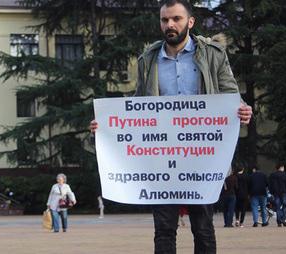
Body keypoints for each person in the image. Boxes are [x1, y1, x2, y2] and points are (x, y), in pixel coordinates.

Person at [90, 0, 252, 252]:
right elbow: (138, 104)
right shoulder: (148, 59)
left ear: (190, 21)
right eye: (165, 20)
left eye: (176, 18)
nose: (170, 25)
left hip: (202, 157)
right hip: (161, 160)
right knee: (164, 230)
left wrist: (243, 109)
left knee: (203, 228)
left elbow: (230, 94)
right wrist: (108, 125)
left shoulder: (213, 54)